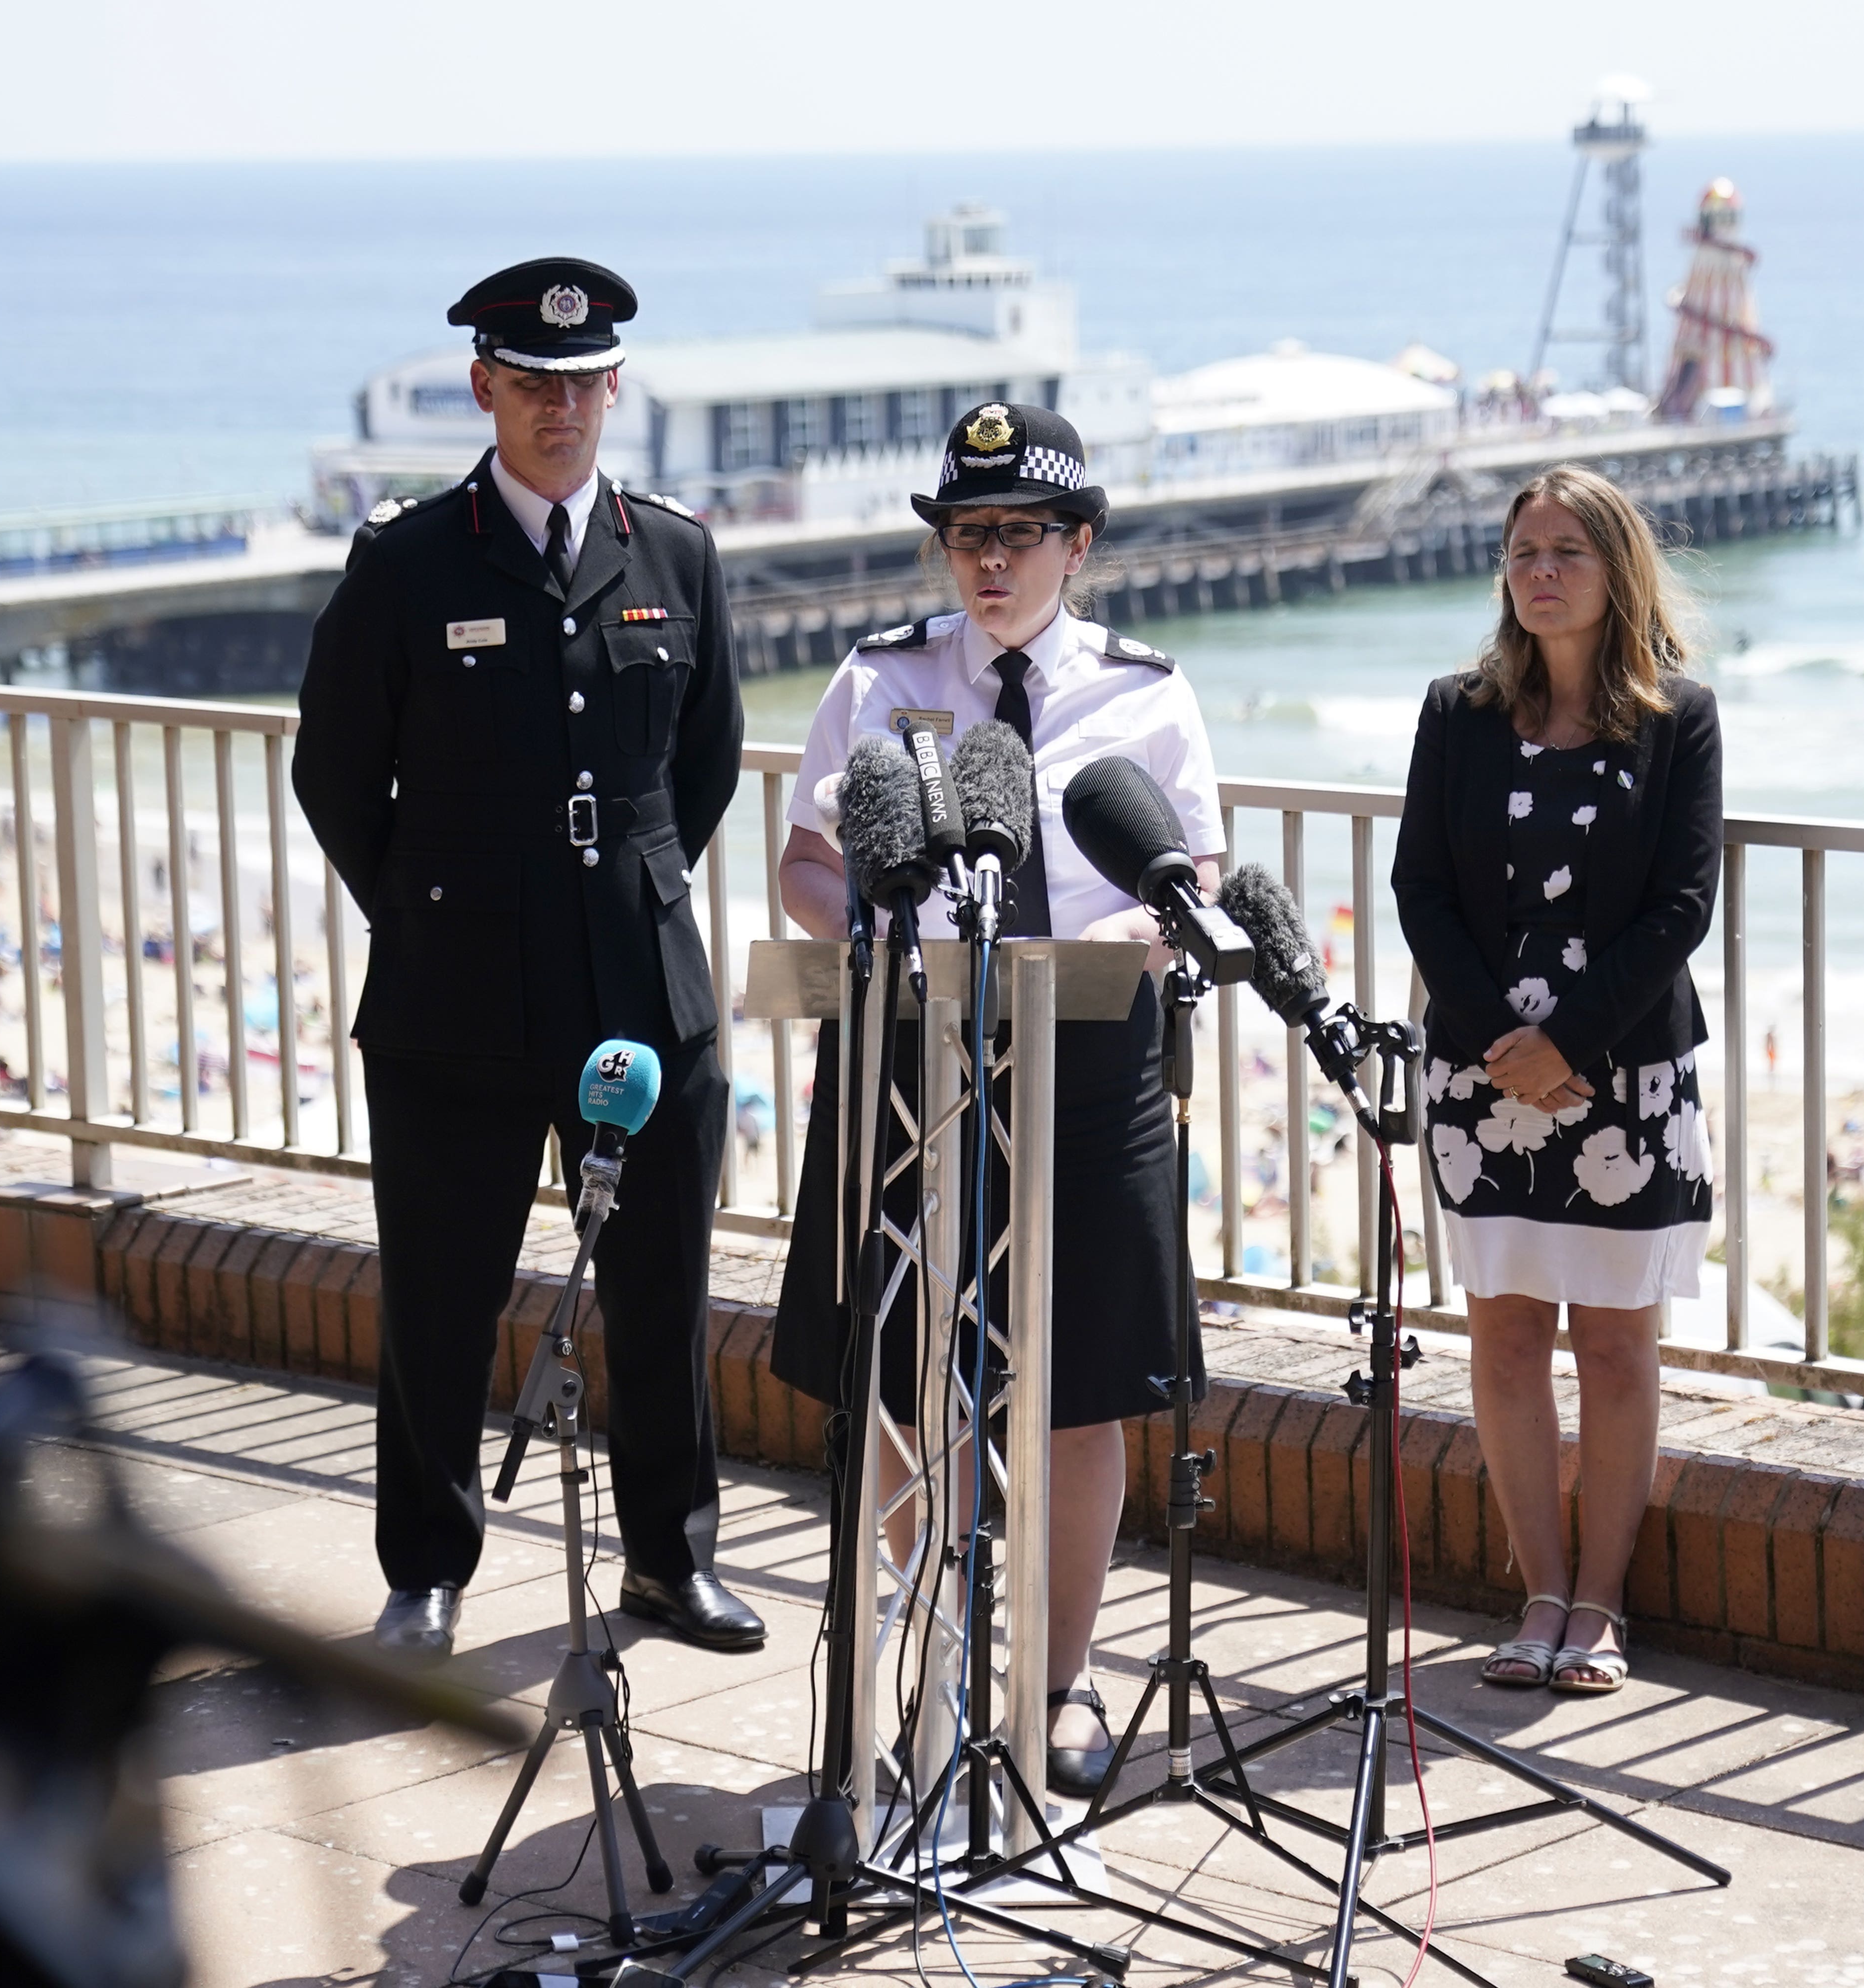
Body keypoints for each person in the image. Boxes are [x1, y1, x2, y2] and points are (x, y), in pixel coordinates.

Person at [294, 257, 765, 1661]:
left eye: (583, 384)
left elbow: (709, 761)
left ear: (614, 388)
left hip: (638, 985)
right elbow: (335, 773)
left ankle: (672, 1564)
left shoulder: (675, 553)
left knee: (663, 1291)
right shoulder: (407, 561)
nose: (560, 409)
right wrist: (429, 910)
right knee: (443, 1294)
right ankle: (425, 1573)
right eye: (532, 384)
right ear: (486, 388)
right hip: (456, 995)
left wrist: (622, 885)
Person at [766, 401, 1221, 1795]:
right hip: (908, 1059)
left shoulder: (1148, 695)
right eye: (968, 535)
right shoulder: (881, 678)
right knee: (908, 1380)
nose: (989, 562)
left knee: (1081, 1392)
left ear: (1076, 545)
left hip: (1085, 1068)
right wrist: (874, 934)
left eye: (1019, 534)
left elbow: (1185, 882)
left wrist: (1131, 940)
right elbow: (805, 861)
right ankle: (938, 1657)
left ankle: (1063, 1683)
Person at [1393, 463, 1723, 1697]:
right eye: (1524, 551)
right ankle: (1538, 1592)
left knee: (1621, 1341)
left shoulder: (1678, 717)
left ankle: (1602, 1599)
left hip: (1622, 1078)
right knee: (1507, 1334)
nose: (1539, 572)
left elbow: (1681, 906)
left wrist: (1568, 1046)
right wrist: (1502, 1043)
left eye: (1566, 552)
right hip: (1483, 1077)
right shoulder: (1457, 711)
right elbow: (1420, 887)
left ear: (1616, 569)